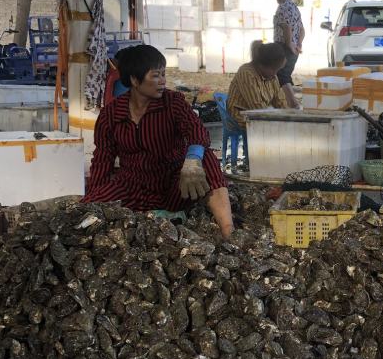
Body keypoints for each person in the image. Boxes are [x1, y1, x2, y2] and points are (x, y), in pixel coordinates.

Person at [83, 44, 234, 237]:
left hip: (174, 185)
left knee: (207, 158)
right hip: (131, 187)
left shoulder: (173, 102)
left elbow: (196, 130)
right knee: (86, 210)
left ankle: (228, 231)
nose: (163, 81)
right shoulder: (111, 114)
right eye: (156, 75)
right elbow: (102, 159)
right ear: (134, 80)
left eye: (164, 74)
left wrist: (192, 160)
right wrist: (95, 198)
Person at [226, 41, 290, 130]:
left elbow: (279, 101)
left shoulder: (272, 75)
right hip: (240, 115)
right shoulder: (247, 73)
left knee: (285, 127)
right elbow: (257, 109)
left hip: (259, 113)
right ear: (262, 65)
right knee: (272, 129)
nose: (276, 73)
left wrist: (288, 116)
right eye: (274, 69)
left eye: (278, 70)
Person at [273, 0, 305, 108]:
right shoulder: (295, 8)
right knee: (285, 75)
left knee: (281, 75)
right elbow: (302, 30)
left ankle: (294, 104)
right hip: (294, 49)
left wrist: (290, 45)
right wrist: (299, 44)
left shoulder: (282, 8)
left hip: (284, 47)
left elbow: (286, 29)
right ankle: (286, 103)